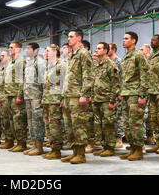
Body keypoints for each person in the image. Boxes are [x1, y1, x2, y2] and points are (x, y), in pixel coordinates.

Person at [61, 29, 94, 164]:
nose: (69, 39)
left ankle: (81, 154)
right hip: (69, 95)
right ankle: (75, 151)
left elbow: (88, 76)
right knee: (69, 126)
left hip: (77, 96)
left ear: (79, 38)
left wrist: (84, 94)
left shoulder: (84, 54)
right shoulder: (71, 55)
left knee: (78, 125)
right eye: (68, 37)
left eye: (71, 37)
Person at [119, 31, 149, 161]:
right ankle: (132, 148)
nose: (123, 41)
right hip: (126, 93)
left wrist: (142, 95)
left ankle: (138, 150)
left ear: (133, 41)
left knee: (135, 123)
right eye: (123, 38)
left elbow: (145, 75)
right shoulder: (126, 57)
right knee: (127, 124)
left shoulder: (138, 56)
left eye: (126, 39)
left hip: (135, 94)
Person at [91, 42, 120, 157]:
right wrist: (93, 99)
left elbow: (115, 85)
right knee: (99, 125)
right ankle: (104, 146)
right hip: (97, 99)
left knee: (108, 124)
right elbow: (94, 83)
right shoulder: (97, 65)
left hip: (107, 100)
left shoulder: (111, 65)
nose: (97, 50)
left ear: (106, 51)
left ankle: (110, 147)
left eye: (99, 48)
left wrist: (112, 101)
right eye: (96, 48)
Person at [4, 41, 28, 152]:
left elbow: (22, 80)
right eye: (9, 47)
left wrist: (19, 95)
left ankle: (22, 143)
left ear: (18, 49)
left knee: (19, 120)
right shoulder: (10, 63)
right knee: (12, 120)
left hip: (16, 96)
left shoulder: (20, 62)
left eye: (12, 47)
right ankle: (15, 141)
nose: (10, 49)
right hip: (9, 94)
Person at [41, 44, 64, 160]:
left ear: (55, 52)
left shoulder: (60, 65)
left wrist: (63, 99)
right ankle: (52, 147)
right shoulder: (48, 66)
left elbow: (65, 83)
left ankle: (57, 149)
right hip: (47, 99)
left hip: (55, 100)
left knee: (55, 125)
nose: (45, 53)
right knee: (48, 124)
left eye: (48, 51)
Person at [23, 42, 46, 156]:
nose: (26, 51)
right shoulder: (29, 63)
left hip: (37, 96)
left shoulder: (40, 63)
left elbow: (43, 82)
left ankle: (39, 146)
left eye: (28, 49)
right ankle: (34, 144)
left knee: (37, 121)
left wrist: (43, 98)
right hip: (28, 96)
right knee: (31, 121)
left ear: (35, 51)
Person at [0, 50, 15, 149]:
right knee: (4, 120)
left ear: (8, 57)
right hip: (2, 98)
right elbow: (0, 85)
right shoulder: (3, 69)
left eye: (3, 56)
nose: (1, 58)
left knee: (9, 120)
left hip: (8, 98)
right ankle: (7, 139)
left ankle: (11, 140)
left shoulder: (10, 67)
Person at [109, 43, 124, 148]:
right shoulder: (107, 62)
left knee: (118, 116)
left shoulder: (118, 62)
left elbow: (122, 78)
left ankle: (119, 138)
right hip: (109, 92)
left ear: (113, 49)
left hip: (117, 92)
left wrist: (120, 92)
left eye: (108, 49)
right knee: (110, 117)